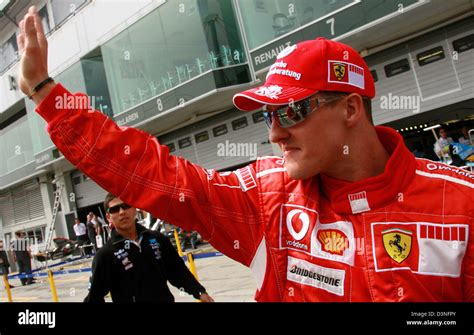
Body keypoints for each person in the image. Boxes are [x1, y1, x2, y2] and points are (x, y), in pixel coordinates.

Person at [17, 7, 473, 301]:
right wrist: (47, 95)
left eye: (291, 110)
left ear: (351, 108)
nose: (275, 134)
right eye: (267, 115)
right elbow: (154, 174)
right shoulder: (266, 199)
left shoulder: (462, 205)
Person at [84, 193, 214, 302]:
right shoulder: (105, 255)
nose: (122, 212)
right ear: (108, 217)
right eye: (115, 209)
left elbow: (177, 270)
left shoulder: (157, 239)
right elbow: (95, 296)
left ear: (135, 208)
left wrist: (199, 292)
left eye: (126, 206)